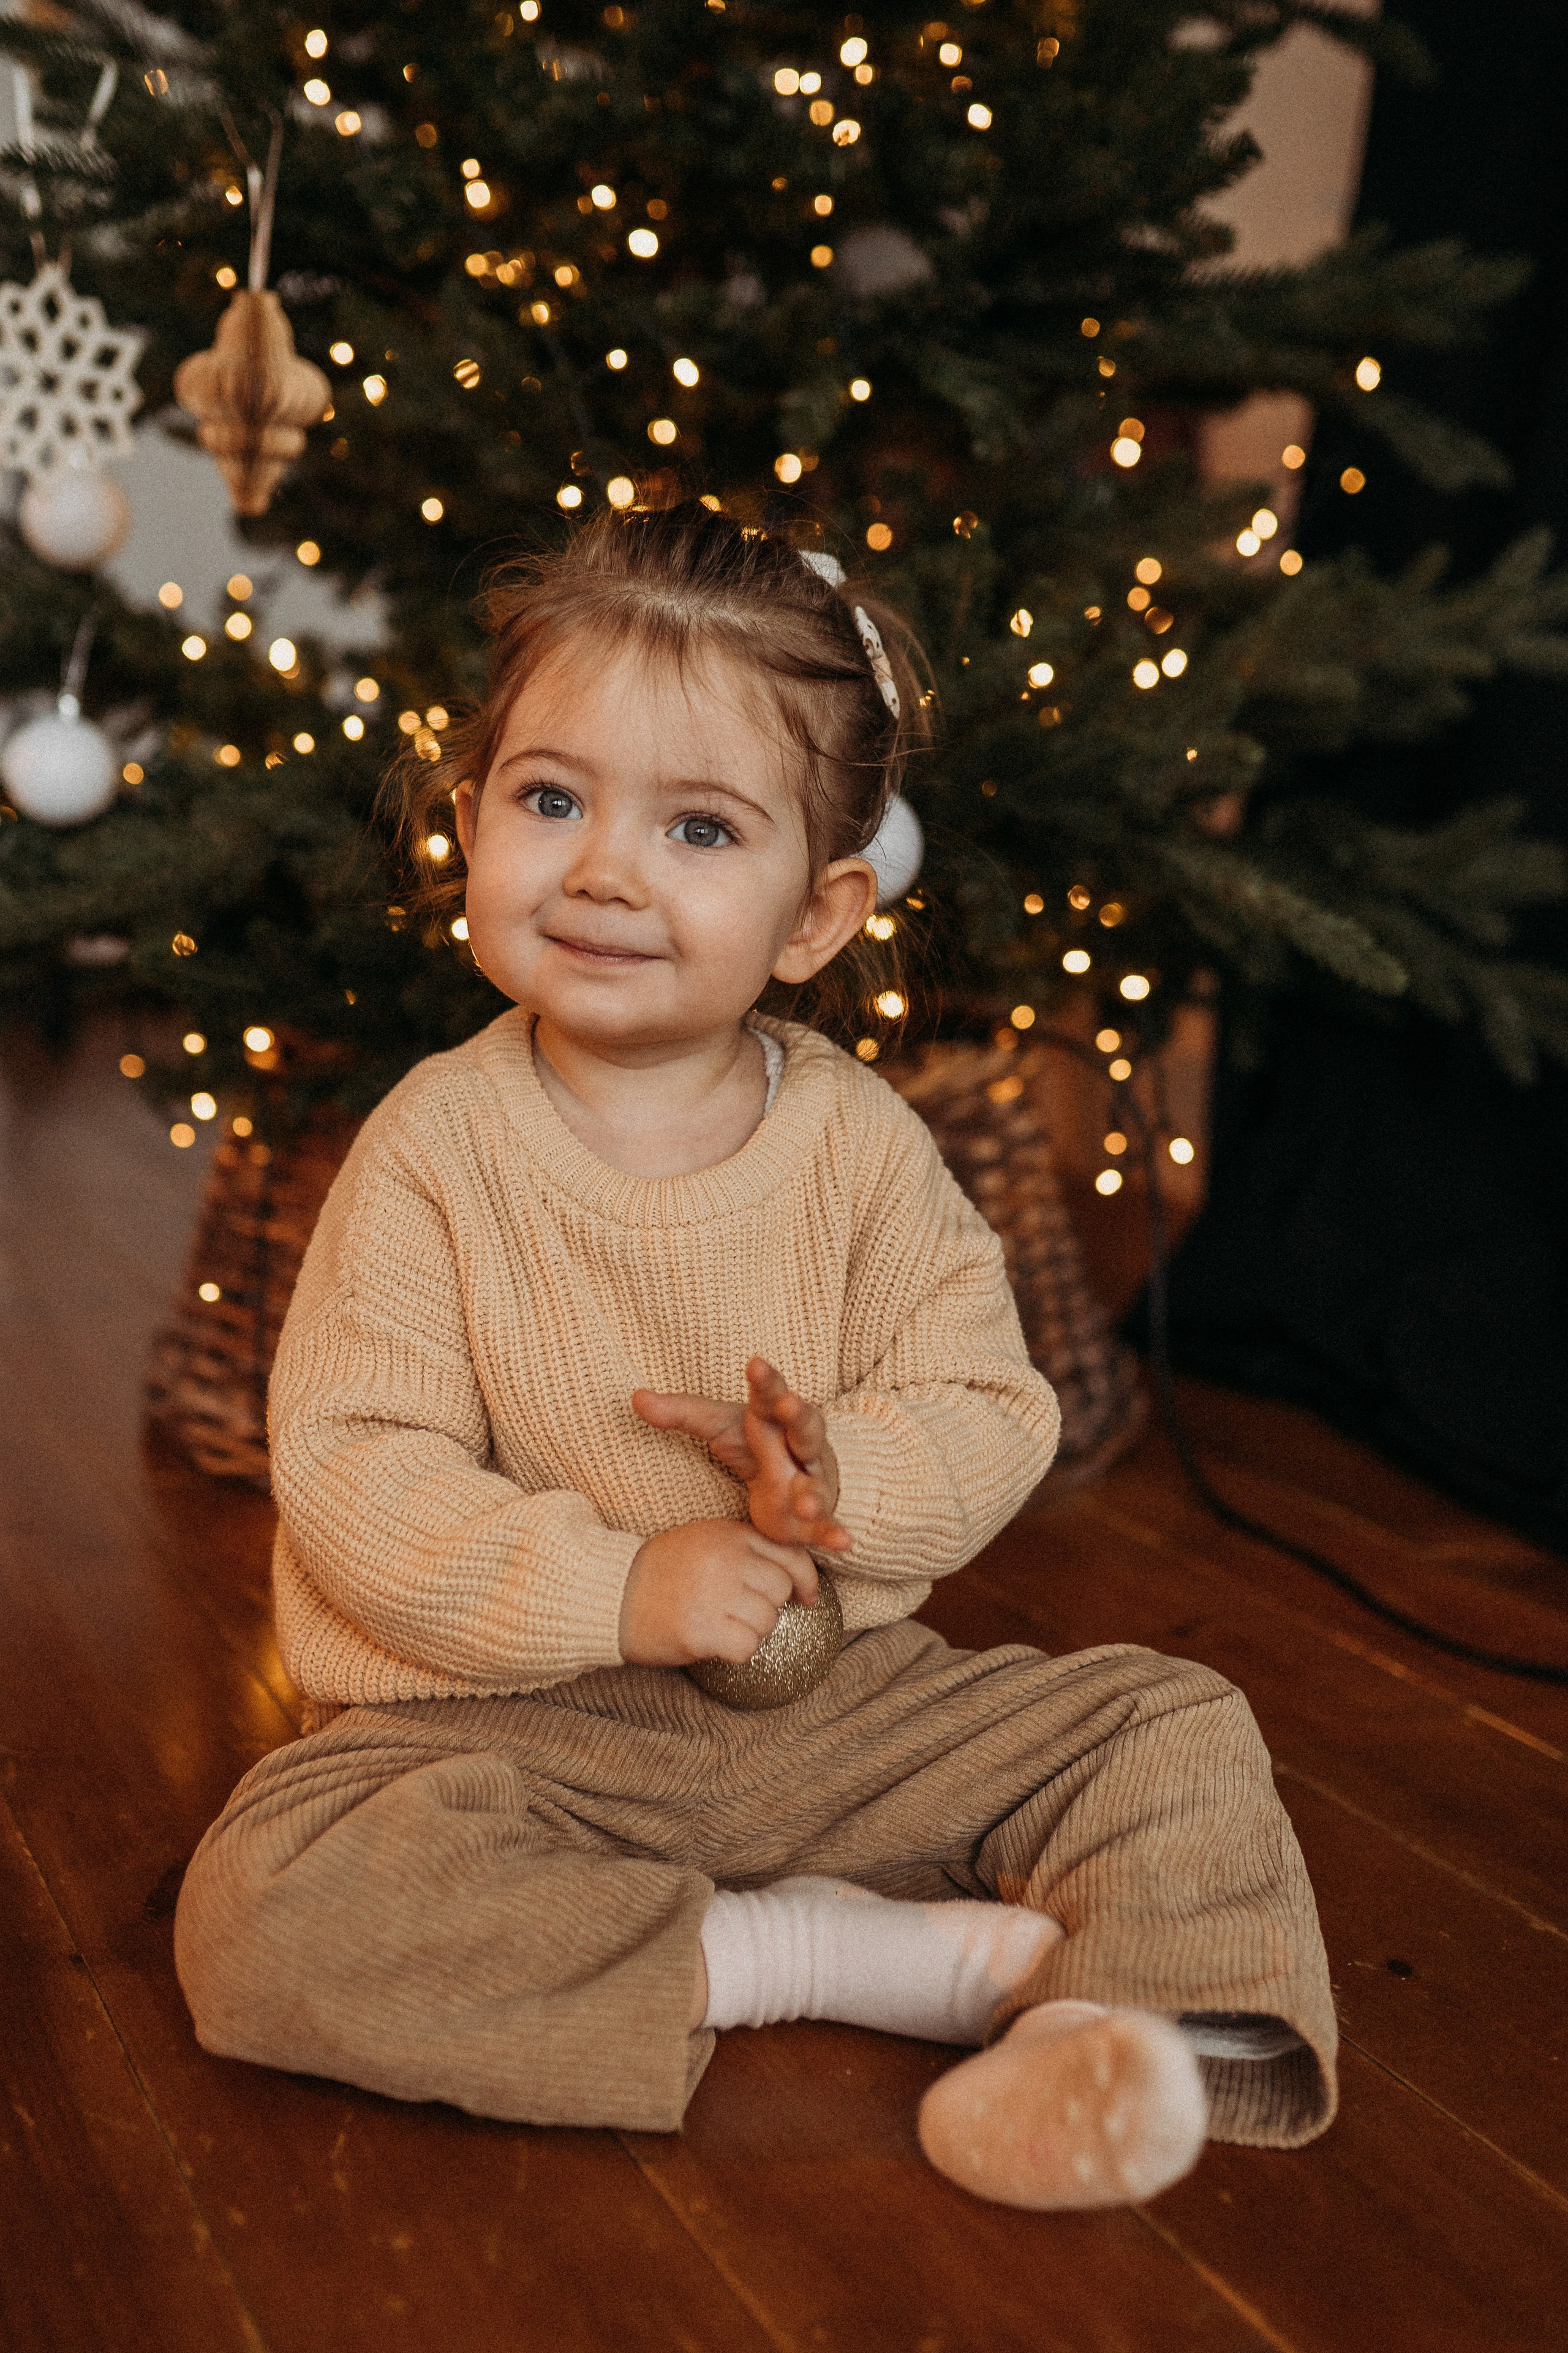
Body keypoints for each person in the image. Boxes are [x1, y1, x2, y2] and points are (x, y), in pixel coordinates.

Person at [174, 502, 1336, 2209]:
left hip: (836, 1715)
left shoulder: (862, 1146)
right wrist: (631, 1581)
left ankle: (1114, 2043)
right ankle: (825, 1957)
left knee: (1173, 1725)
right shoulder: (434, 1145)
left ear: (817, 914)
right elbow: (360, 1473)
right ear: (473, 818)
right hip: (505, 1738)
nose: (602, 868)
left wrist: (845, 1480)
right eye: (550, 798)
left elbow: (990, 1403)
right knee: (266, 1903)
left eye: (699, 827)